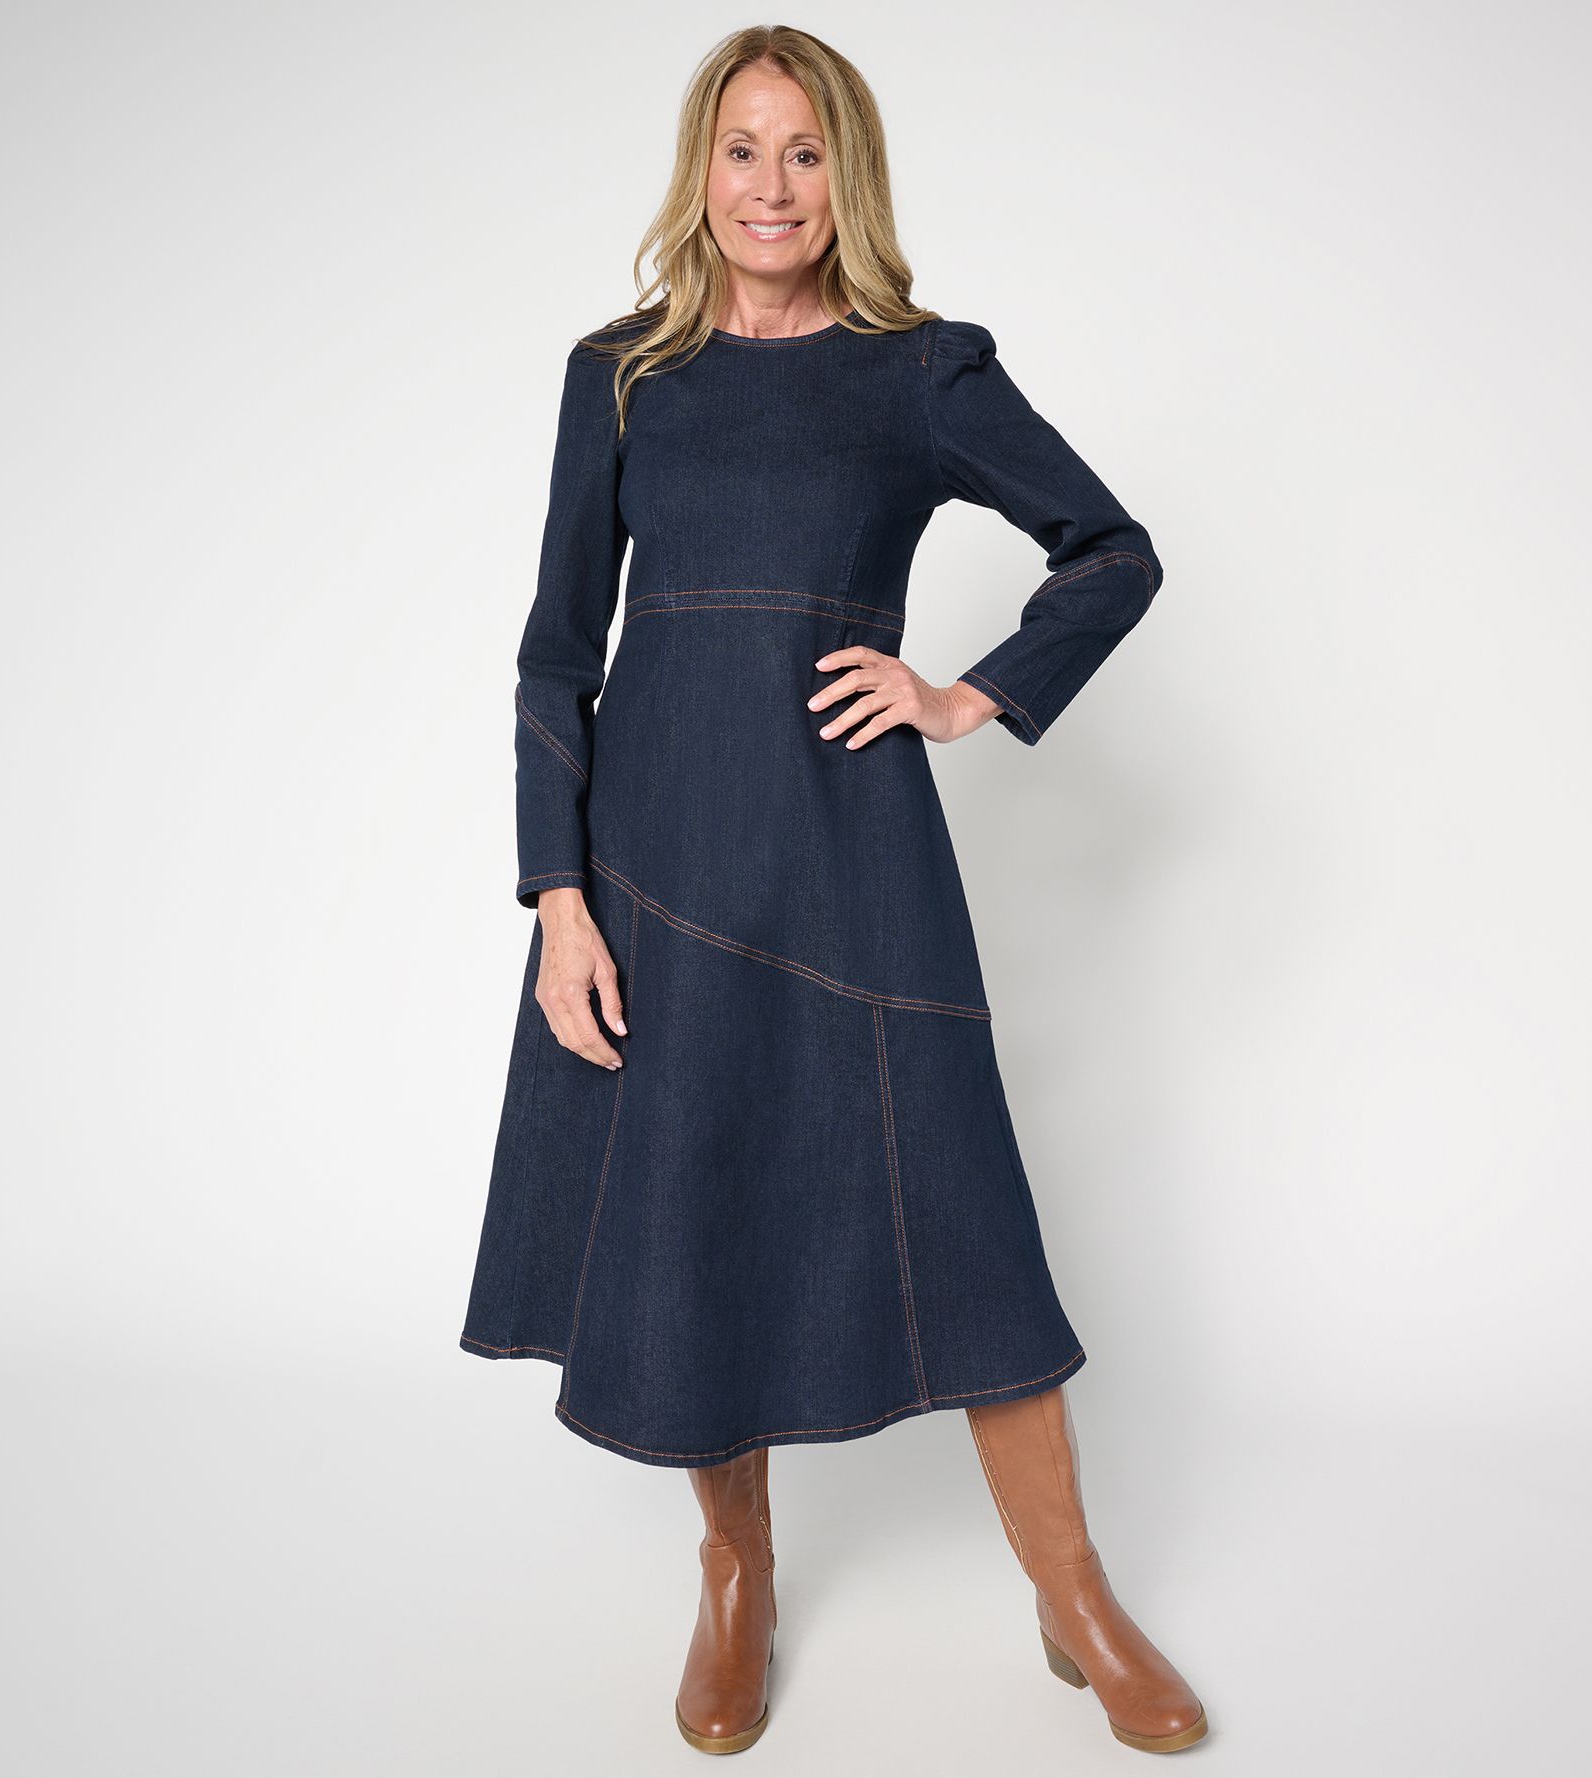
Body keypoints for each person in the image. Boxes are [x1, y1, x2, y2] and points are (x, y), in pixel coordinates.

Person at [459, 23, 1209, 1757]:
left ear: (847, 176)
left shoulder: (921, 370)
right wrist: (557, 897)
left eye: (805, 153)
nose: (771, 186)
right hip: (655, 865)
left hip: (853, 858)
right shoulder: (620, 376)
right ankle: (738, 1572)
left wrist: (968, 693)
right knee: (693, 1205)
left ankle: (1073, 1592)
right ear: (700, 168)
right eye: (743, 149)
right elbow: (557, 650)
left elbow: (1110, 550)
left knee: (964, 1210)